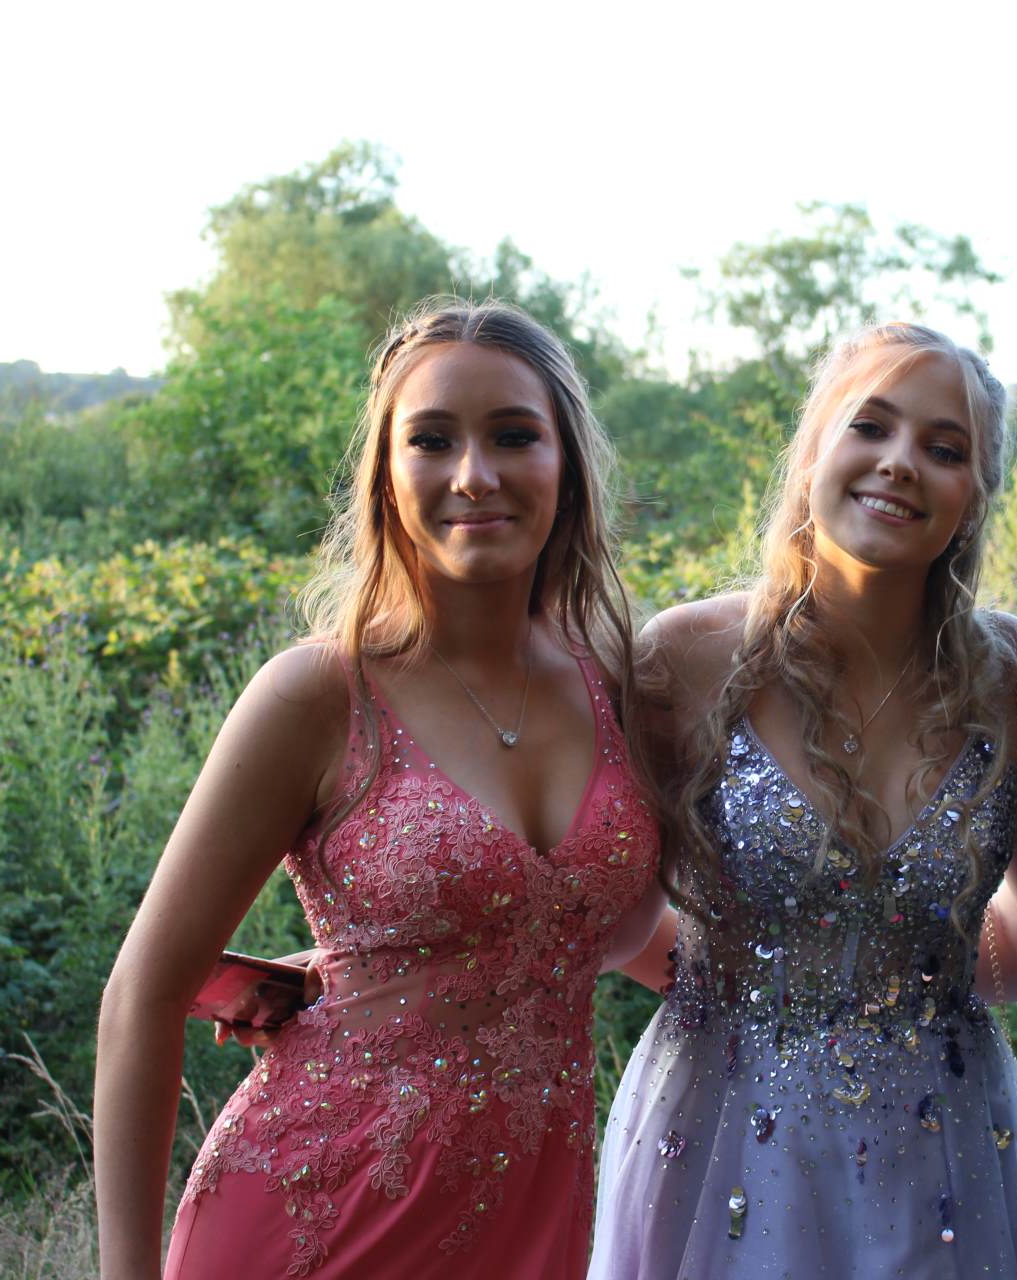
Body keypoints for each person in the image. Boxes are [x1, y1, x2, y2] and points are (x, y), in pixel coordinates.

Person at [94, 299, 663, 1279]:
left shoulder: (623, 684)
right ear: (386, 478)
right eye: (431, 440)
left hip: (528, 1226)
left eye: (514, 435)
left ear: (566, 465)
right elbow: (140, 995)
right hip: (311, 1217)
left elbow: (592, 930)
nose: (474, 474)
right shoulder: (319, 695)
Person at [589, 323, 1017, 1278]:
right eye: (870, 426)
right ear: (812, 452)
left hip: (946, 1143)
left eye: (945, 448)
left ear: (976, 494)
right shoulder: (683, 661)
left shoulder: (1013, 675)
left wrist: (906, 984)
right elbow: (603, 910)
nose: (900, 462)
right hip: (716, 1141)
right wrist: (741, 994)